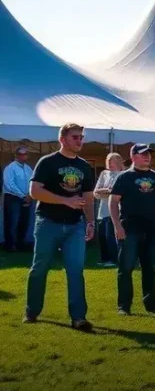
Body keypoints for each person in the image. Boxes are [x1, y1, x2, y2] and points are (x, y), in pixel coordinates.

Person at [24, 123, 97, 331]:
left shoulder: (84, 166)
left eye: (81, 137)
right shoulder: (47, 162)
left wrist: (90, 222)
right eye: (75, 137)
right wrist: (65, 200)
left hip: (75, 226)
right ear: (62, 139)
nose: (80, 141)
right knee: (39, 269)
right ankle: (31, 311)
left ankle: (78, 317)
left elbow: (88, 198)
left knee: (76, 270)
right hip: (48, 222)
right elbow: (35, 191)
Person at [110, 144, 155, 316]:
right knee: (126, 268)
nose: (147, 157)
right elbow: (113, 201)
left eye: (149, 154)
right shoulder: (124, 177)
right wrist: (117, 225)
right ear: (133, 156)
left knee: (150, 268)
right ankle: (124, 306)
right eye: (143, 154)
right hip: (129, 229)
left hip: (152, 230)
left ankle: (151, 304)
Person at [93, 153, 124, 267]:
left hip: (116, 210)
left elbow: (118, 192)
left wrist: (106, 191)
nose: (110, 164)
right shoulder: (104, 173)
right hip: (103, 209)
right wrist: (107, 190)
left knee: (110, 235)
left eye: (113, 161)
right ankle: (104, 258)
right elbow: (96, 192)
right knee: (101, 235)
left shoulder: (122, 174)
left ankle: (114, 259)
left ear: (119, 162)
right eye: (109, 161)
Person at [3, 146, 35, 252]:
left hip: (26, 197)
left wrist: (30, 195)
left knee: (24, 221)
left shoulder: (28, 168)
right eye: (21, 154)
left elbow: (32, 181)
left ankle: (20, 243)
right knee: (12, 222)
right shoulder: (10, 168)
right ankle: (10, 245)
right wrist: (23, 195)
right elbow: (9, 184)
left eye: (25, 154)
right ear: (16, 155)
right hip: (13, 198)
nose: (23, 156)